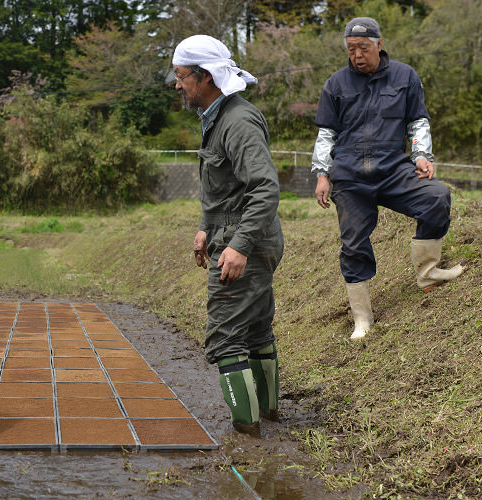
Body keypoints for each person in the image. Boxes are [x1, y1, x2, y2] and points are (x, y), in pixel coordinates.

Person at [312, 17, 465, 340]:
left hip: (394, 169)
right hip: (350, 177)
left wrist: (422, 155)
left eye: (363, 47)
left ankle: (427, 273)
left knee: (436, 197)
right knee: (353, 242)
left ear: (379, 45)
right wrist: (322, 173)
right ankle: (362, 318)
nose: (357, 55)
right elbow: (326, 134)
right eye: (351, 49)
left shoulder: (405, 76)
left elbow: (417, 121)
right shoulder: (336, 84)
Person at [172, 35, 285, 437]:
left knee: (225, 337)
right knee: (255, 329)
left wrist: (238, 246)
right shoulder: (217, 117)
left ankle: (248, 434)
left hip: (246, 240)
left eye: (181, 76)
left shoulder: (237, 121)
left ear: (205, 76)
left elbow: (264, 189)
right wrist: (207, 226)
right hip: (241, 233)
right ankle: (268, 416)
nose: (177, 84)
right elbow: (225, 185)